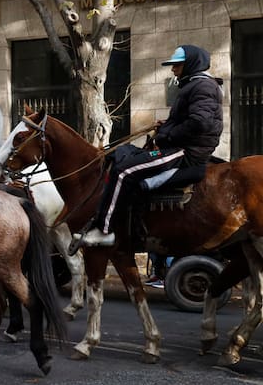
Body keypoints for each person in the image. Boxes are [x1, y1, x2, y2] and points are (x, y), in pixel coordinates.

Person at [80, 45, 223, 247]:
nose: (173, 70)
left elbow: (200, 122)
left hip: (185, 152)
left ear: (191, 64)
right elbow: (192, 119)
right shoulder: (195, 85)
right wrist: (167, 126)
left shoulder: (202, 86)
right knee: (124, 157)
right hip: (180, 148)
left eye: (177, 65)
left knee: (122, 171)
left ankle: (104, 230)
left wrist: (168, 134)